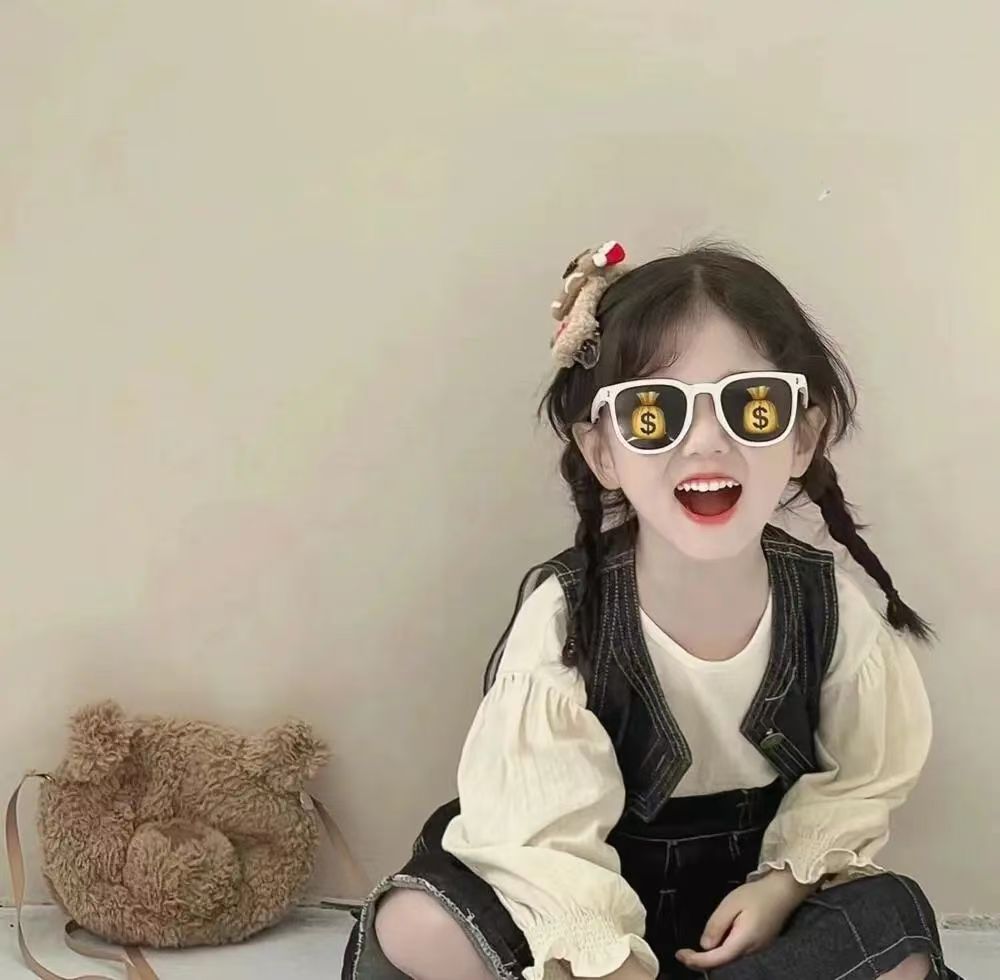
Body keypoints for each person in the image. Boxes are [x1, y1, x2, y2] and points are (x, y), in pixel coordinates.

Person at [342, 242, 958, 979]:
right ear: (602, 452)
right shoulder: (567, 617)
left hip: (745, 914)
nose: (706, 442)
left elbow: (860, 781)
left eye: (750, 406)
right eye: (653, 413)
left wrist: (781, 884)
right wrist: (605, 960)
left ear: (803, 436)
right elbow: (538, 839)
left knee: (893, 923)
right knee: (417, 921)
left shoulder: (831, 610)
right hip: (582, 897)